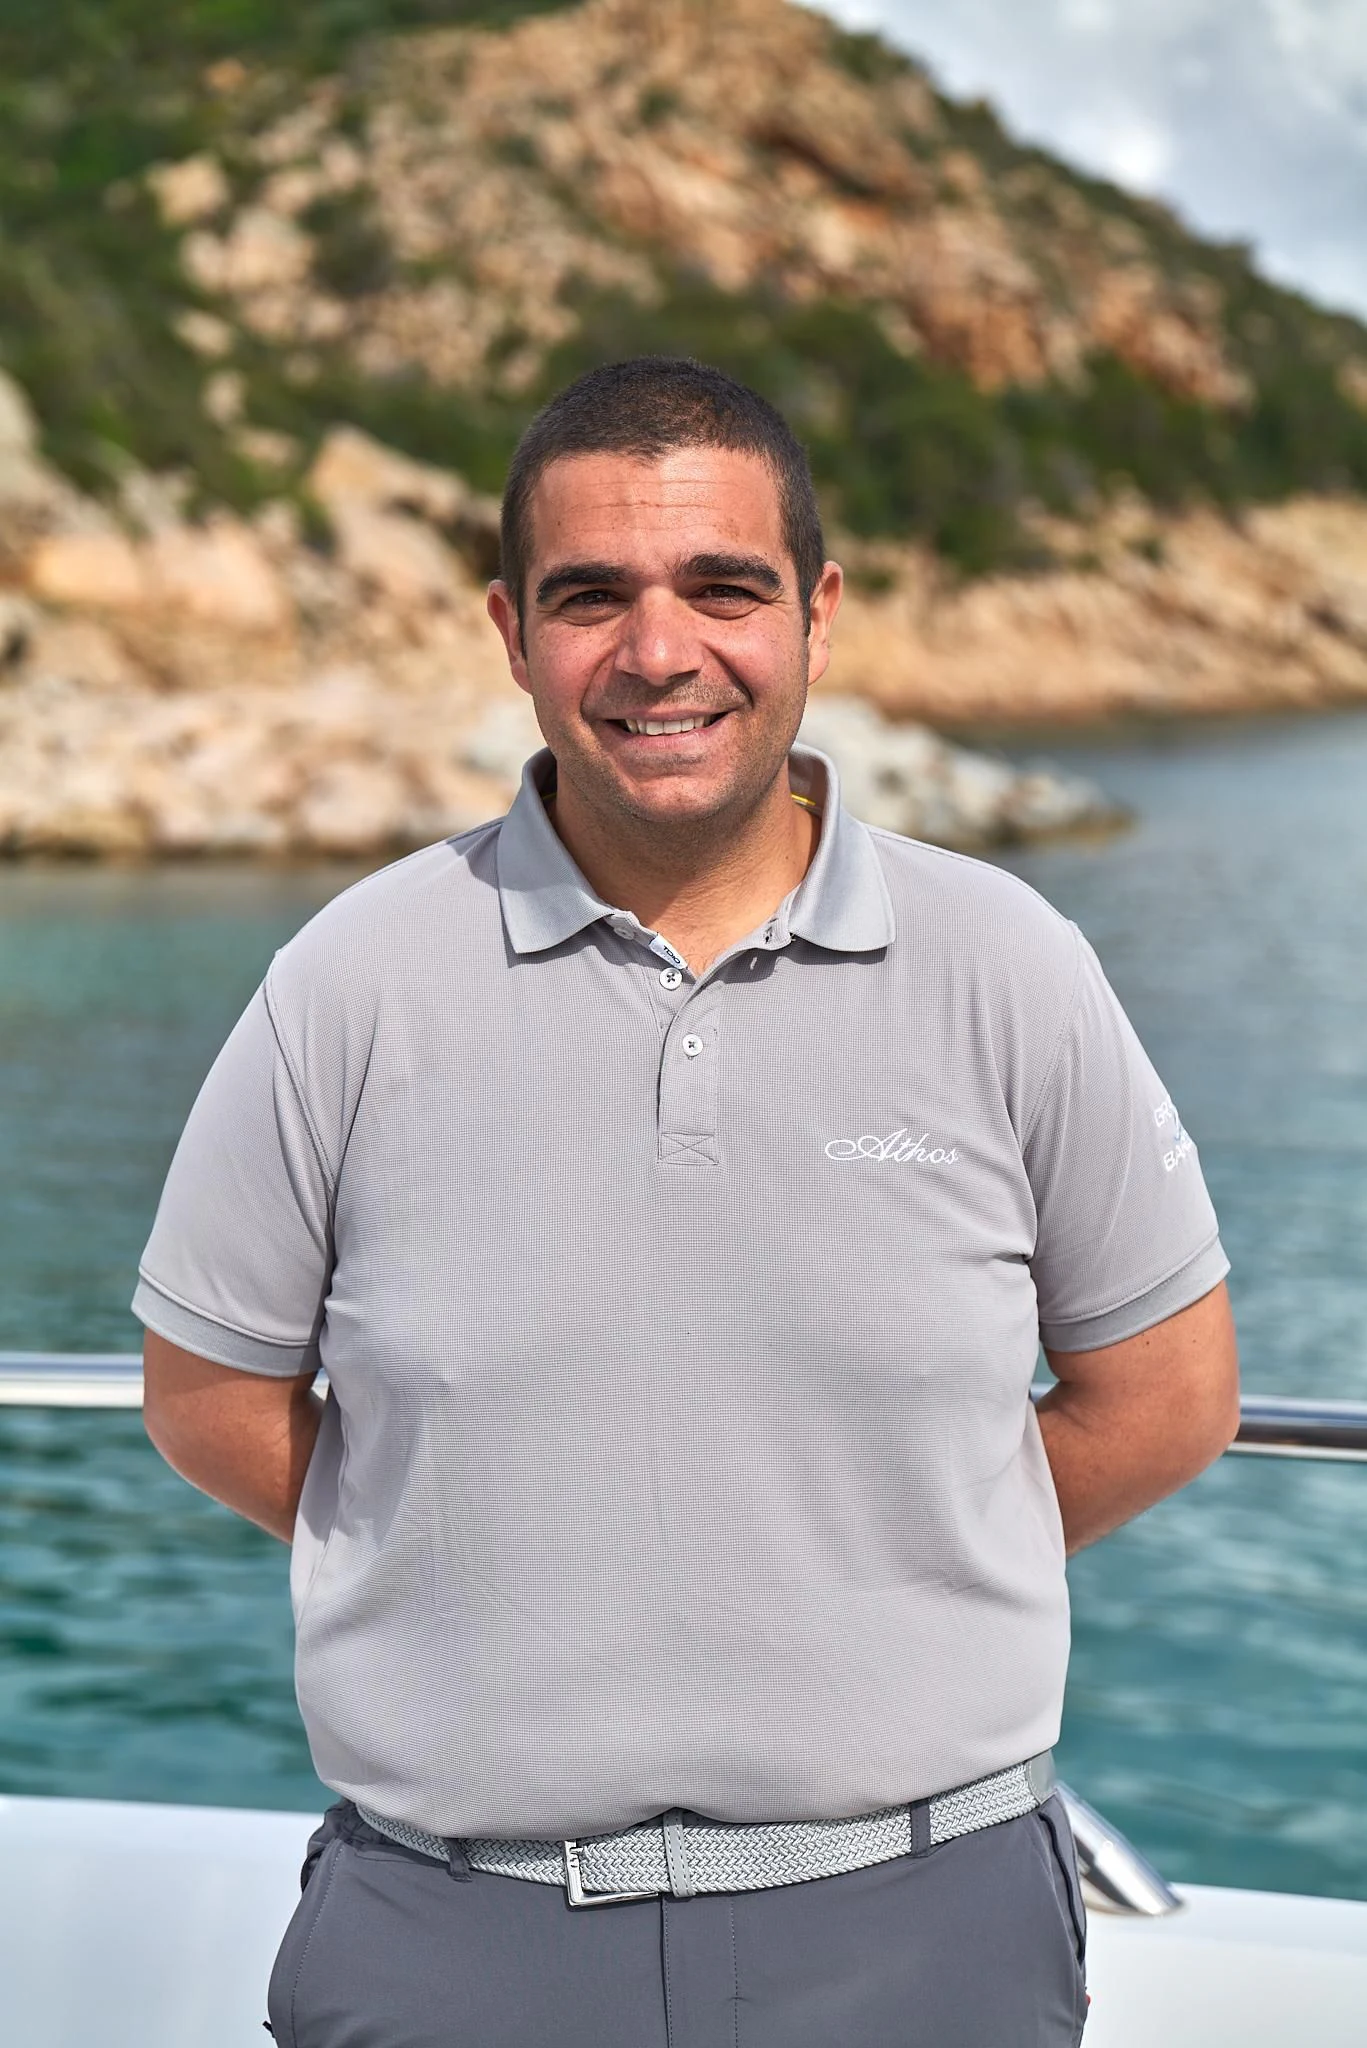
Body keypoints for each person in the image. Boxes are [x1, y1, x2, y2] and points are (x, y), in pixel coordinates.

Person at [136, 356, 1239, 2047]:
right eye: (593, 598)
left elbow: (1163, 1398)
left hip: (920, 1938)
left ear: (818, 615)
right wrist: (477, 1551)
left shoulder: (1006, 964)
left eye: (723, 587)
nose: (659, 654)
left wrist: (859, 1559)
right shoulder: (345, 982)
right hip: (448, 1934)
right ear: (513, 634)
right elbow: (209, 1399)